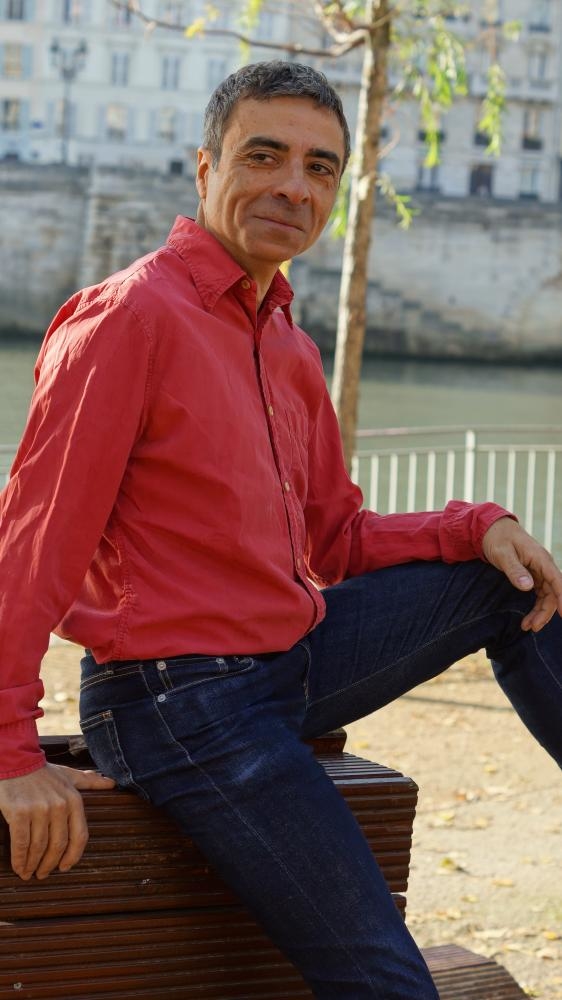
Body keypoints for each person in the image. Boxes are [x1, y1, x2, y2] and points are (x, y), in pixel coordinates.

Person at [0, 61, 560, 999]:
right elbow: (31, 547)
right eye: (264, 156)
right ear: (206, 169)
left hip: (286, 660)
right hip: (176, 700)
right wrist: (9, 753)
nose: (294, 188)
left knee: (507, 580)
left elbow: (335, 539)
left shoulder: (289, 346)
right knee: (387, 977)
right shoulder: (129, 318)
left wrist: (475, 526)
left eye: (319, 167)